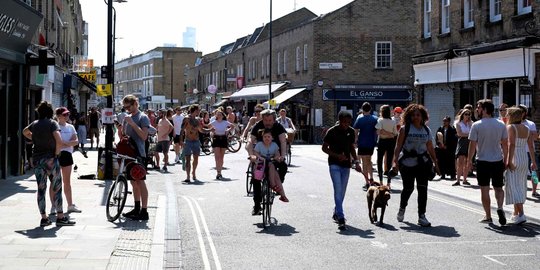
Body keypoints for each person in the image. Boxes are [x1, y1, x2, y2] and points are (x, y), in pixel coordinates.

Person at [22, 101, 76, 227]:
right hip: (51, 159)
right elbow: (58, 139)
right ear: (50, 112)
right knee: (57, 187)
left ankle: (44, 218)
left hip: (37, 160)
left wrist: (35, 138)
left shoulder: (35, 124)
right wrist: (57, 153)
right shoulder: (52, 123)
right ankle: (60, 217)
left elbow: (25, 131)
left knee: (41, 189)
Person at [392, 104, 439, 227]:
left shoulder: (426, 130)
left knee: (422, 189)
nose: (416, 117)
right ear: (409, 116)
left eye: (418, 115)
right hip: (407, 163)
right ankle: (402, 208)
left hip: (422, 163)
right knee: (408, 188)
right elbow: (398, 147)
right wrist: (395, 162)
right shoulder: (404, 129)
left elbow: (430, 147)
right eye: (413, 115)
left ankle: (421, 216)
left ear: (423, 116)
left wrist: (436, 163)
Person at [467, 99, 508, 225]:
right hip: (497, 160)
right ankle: (500, 208)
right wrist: (506, 160)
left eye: (479, 107)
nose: (477, 110)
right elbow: (505, 144)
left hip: (483, 161)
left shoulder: (476, 125)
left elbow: (472, 145)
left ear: (485, 110)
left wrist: (469, 160)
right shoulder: (501, 124)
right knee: (498, 188)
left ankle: (488, 216)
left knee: (484, 189)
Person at [322, 111, 363, 230]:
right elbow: (324, 148)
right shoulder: (332, 131)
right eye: (344, 122)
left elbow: (351, 148)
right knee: (338, 189)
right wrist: (336, 155)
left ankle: (336, 210)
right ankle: (341, 217)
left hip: (346, 165)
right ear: (339, 120)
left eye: (348, 122)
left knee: (342, 191)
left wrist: (356, 161)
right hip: (334, 164)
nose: (346, 124)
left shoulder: (350, 131)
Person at [246, 109, 288, 215]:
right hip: (260, 158)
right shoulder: (257, 125)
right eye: (265, 120)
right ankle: (257, 205)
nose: (268, 123)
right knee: (256, 178)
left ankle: (277, 183)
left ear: (274, 119)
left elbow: (283, 142)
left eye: (270, 120)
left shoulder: (278, 127)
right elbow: (250, 141)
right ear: (262, 119)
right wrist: (251, 155)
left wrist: (282, 156)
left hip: (275, 155)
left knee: (283, 167)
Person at [504, 107, 537, 224]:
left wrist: (509, 161)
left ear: (512, 116)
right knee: (520, 185)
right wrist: (533, 162)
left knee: (513, 186)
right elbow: (531, 147)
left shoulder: (511, 127)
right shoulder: (527, 128)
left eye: (508, 114)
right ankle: (516, 213)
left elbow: (511, 144)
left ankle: (521, 214)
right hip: (524, 156)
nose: (506, 116)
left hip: (515, 156)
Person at [121, 95, 151, 220]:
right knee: (133, 182)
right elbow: (124, 134)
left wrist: (133, 124)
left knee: (140, 181)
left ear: (135, 104)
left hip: (139, 153)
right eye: (125, 107)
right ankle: (136, 207)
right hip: (128, 153)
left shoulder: (143, 117)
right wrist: (121, 129)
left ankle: (144, 211)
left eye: (128, 106)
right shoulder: (127, 117)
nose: (127, 109)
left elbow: (144, 136)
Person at [50, 107, 82, 214]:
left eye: (68, 114)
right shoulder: (54, 126)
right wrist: (68, 143)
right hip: (56, 155)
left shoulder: (71, 127)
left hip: (67, 155)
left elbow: (76, 141)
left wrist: (64, 143)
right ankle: (53, 206)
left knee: (67, 182)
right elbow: (55, 143)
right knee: (54, 181)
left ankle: (70, 205)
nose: (67, 116)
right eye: (65, 115)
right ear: (59, 116)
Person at [251, 129, 289, 202]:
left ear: (272, 138)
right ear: (262, 138)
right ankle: (273, 184)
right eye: (265, 137)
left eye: (268, 137)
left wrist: (277, 157)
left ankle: (282, 195)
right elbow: (255, 152)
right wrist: (260, 157)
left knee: (276, 175)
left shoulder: (274, 145)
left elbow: (277, 153)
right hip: (261, 163)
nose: (267, 138)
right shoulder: (259, 144)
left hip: (270, 161)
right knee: (269, 168)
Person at [180, 104, 210, 183]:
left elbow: (201, 130)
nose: (199, 111)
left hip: (196, 141)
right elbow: (182, 130)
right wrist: (181, 141)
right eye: (198, 110)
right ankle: (188, 176)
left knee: (196, 158)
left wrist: (210, 130)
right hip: (188, 141)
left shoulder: (197, 120)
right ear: (195, 110)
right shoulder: (186, 119)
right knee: (188, 159)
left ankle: (193, 172)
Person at [353, 102, 378, 189]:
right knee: (369, 161)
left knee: (364, 162)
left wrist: (355, 140)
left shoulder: (359, 119)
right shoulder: (375, 119)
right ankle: (371, 178)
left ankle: (367, 181)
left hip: (362, 142)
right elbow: (377, 131)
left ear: (362, 109)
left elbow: (355, 130)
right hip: (371, 142)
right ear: (370, 109)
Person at [518, 105, 539, 198]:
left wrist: (526, 133)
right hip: (519, 151)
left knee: (534, 172)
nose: (519, 113)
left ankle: (534, 191)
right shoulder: (515, 124)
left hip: (530, 151)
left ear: (525, 113)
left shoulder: (530, 124)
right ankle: (522, 190)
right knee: (521, 173)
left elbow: (535, 137)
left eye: (521, 111)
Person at [375, 105, 398, 188]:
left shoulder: (380, 120)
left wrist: (383, 131)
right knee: (389, 163)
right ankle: (388, 183)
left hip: (382, 141)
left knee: (380, 161)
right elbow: (395, 134)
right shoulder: (393, 121)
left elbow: (378, 132)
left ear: (382, 112)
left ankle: (381, 182)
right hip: (390, 142)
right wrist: (390, 134)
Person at [209, 109, 232, 179]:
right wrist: (212, 131)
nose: (219, 116)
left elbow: (233, 126)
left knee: (221, 157)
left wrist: (228, 130)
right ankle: (218, 172)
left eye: (220, 114)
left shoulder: (225, 122)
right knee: (217, 157)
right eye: (218, 114)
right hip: (216, 138)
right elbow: (207, 126)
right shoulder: (214, 122)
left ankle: (220, 171)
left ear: (222, 116)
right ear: (216, 115)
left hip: (223, 138)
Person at [454, 109, 473, 186]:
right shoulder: (458, 123)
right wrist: (469, 135)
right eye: (466, 114)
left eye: (468, 114)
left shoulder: (471, 123)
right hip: (462, 142)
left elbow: (473, 133)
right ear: (462, 115)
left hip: (469, 143)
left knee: (467, 162)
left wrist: (468, 135)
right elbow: (459, 133)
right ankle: (458, 180)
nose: (467, 116)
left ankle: (465, 179)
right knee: (460, 162)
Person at [435, 116, 457, 180]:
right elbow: (437, 137)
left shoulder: (452, 129)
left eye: (446, 121)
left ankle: (452, 175)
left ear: (449, 122)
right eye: (443, 121)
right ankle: (443, 174)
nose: (444, 122)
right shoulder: (440, 128)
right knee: (442, 162)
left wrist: (447, 146)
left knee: (450, 162)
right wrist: (439, 144)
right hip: (441, 149)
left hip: (449, 149)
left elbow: (454, 140)